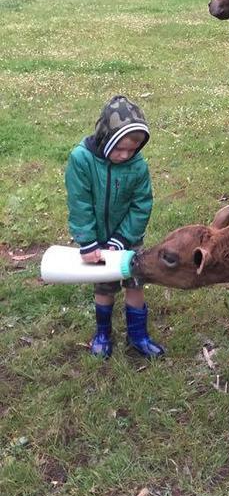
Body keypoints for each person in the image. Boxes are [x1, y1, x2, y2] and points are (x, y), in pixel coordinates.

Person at [65, 95, 164, 358]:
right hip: (96, 241)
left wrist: (123, 238)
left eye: (132, 150)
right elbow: (79, 203)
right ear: (105, 137)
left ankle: (138, 336)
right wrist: (87, 242)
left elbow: (142, 204)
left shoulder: (137, 166)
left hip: (128, 239)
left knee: (134, 282)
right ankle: (102, 333)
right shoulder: (81, 160)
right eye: (120, 148)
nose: (126, 155)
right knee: (104, 286)